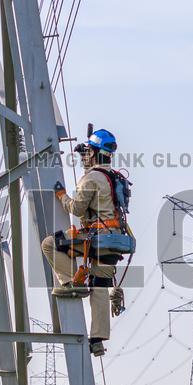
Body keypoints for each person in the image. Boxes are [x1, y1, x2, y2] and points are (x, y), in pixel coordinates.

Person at [41, 129, 126, 356]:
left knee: (50, 244)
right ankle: (97, 340)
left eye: (87, 152)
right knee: (100, 285)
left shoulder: (92, 178)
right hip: (115, 240)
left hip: (97, 238)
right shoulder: (114, 177)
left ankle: (71, 282)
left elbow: (77, 208)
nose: (84, 156)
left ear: (94, 153)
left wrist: (62, 195)